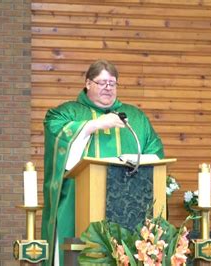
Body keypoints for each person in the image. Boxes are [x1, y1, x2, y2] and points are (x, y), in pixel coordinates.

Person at [41, 59, 164, 265]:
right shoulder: (66, 113)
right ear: (88, 83)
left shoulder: (135, 117)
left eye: (112, 83)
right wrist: (92, 126)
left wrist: (135, 160)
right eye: (102, 83)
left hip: (127, 204)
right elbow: (57, 136)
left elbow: (155, 151)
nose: (108, 88)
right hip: (76, 201)